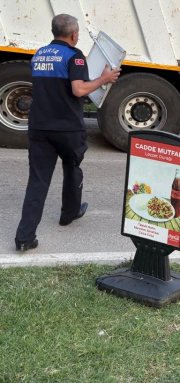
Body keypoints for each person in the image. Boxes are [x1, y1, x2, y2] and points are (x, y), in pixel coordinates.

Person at [14, 14, 120, 252]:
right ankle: (69, 213)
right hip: (67, 127)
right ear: (73, 34)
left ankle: (24, 237)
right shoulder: (75, 56)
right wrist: (104, 78)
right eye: (78, 33)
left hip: (39, 126)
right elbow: (78, 90)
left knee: (38, 181)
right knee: (72, 168)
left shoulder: (39, 54)